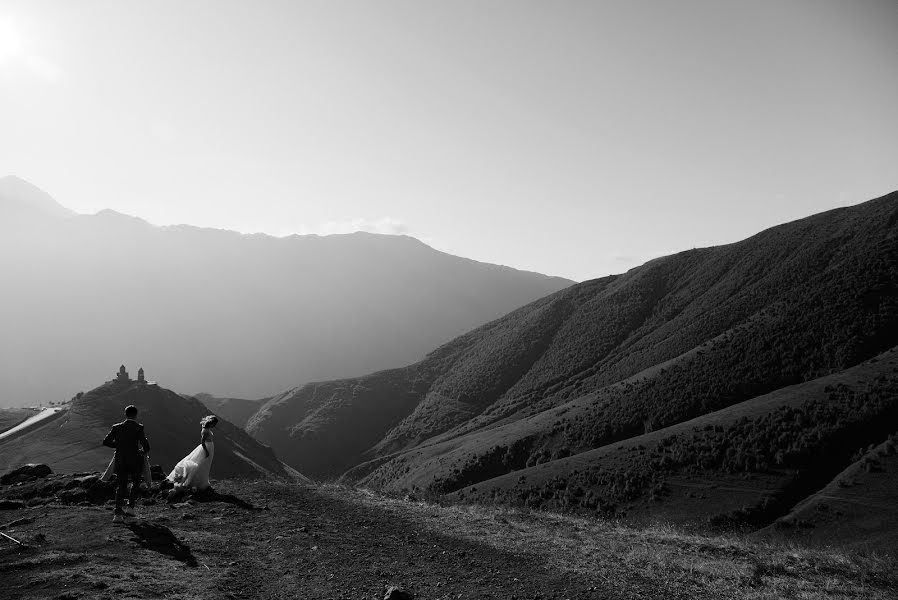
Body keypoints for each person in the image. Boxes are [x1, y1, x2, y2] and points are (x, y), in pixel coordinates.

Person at [102, 405, 150, 523]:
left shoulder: (116, 427)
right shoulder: (139, 428)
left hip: (120, 459)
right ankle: (130, 508)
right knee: (136, 482)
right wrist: (144, 451)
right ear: (136, 415)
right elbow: (145, 444)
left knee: (121, 485)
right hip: (135, 459)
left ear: (125, 414)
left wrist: (118, 445)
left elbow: (106, 442)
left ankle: (117, 514)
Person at [167, 415, 218, 491]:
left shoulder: (206, 428)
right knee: (202, 464)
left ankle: (203, 482)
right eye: (214, 424)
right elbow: (202, 442)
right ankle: (198, 482)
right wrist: (207, 451)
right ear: (211, 423)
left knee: (205, 464)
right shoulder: (205, 431)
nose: (215, 425)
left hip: (209, 447)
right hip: (206, 448)